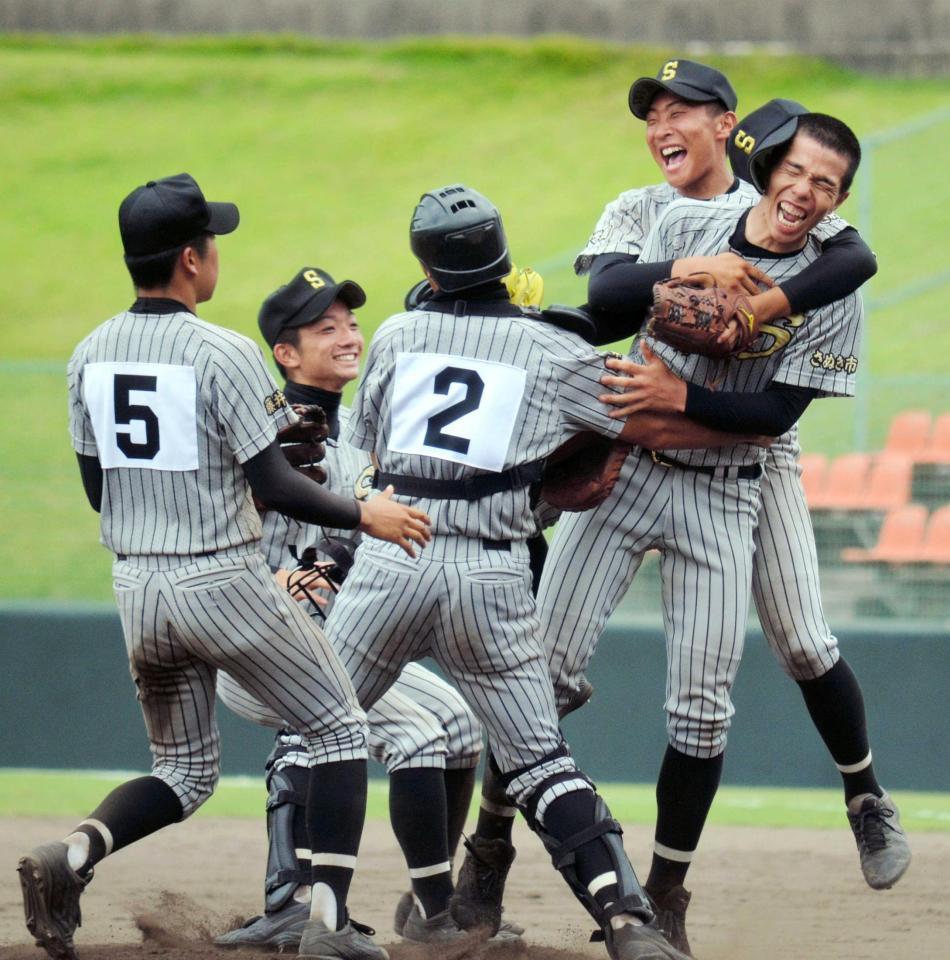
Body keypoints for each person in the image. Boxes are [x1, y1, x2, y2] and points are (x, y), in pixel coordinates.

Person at [453, 63, 897, 957]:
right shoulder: (682, 222)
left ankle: (666, 894)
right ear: (767, 168)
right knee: (540, 676)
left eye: (826, 183)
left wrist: (675, 394)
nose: (805, 191)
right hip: (627, 474)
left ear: (839, 199)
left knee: (706, 709)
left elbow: (774, 415)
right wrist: (670, 291)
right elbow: (607, 299)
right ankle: (488, 847)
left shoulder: (835, 281)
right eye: (795, 171)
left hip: (728, 488)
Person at [318, 182, 768, 960]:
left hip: (393, 559)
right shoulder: (556, 351)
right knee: (542, 764)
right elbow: (639, 419)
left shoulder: (396, 334)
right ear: (504, 258)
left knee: (318, 729)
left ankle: (310, 916)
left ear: (426, 269)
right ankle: (628, 920)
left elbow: (373, 447)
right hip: (491, 574)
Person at [18, 173, 430, 960]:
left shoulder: (89, 352)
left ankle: (71, 855)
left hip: (138, 586)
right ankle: (328, 926)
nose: (216, 254)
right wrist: (363, 513)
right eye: (212, 242)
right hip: (221, 580)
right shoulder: (225, 351)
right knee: (341, 727)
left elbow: (100, 490)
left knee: (182, 770)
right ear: (189, 259)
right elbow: (273, 484)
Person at [212, 266, 520, 948]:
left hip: (337, 636)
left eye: (351, 323)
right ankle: (427, 916)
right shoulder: (260, 431)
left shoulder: (361, 427)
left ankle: (427, 899)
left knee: (460, 725)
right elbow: (220, 523)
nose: (349, 336)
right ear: (286, 352)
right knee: (414, 736)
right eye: (326, 329)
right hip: (263, 640)